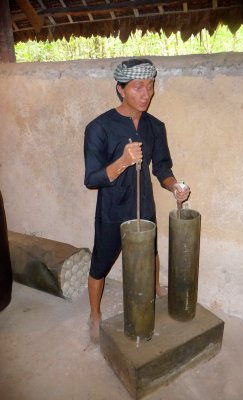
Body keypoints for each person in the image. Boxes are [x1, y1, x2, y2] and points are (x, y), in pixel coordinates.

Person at [84, 58, 190, 343]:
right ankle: (94, 315)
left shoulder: (156, 127)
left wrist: (174, 187)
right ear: (120, 89)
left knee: (151, 252)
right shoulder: (99, 128)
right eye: (138, 87)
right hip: (112, 210)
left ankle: (156, 290)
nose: (147, 93)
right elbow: (91, 179)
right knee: (100, 264)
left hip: (145, 207)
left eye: (151, 85)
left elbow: (163, 169)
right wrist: (122, 161)